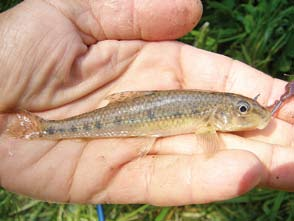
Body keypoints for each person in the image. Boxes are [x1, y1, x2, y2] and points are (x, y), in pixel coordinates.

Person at [0, 0, 293, 205]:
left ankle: (46, 129)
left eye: (245, 109)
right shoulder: (208, 121)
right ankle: (45, 129)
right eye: (243, 110)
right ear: (216, 116)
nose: (248, 113)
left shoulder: (210, 117)